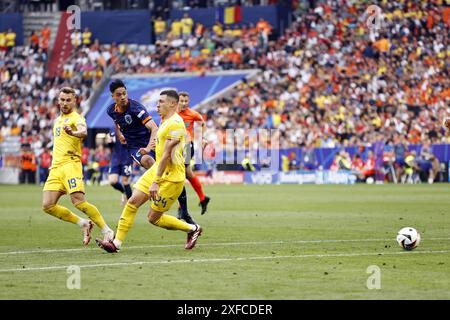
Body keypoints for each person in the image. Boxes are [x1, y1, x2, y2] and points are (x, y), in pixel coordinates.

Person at [95, 90, 203, 253]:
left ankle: (192, 228)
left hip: (171, 177)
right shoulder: (165, 120)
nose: (157, 105)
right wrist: (148, 149)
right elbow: (161, 147)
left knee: (153, 218)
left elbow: (167, 155)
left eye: (161, 102)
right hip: (157, 169)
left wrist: (155, 182)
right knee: (132, 202)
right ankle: (116, 243)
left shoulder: (176, 123)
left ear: (172, 104)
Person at [41, 87, 114, 245]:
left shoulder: (76, 118)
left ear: (74, 101)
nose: (65, 103)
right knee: (47, 205)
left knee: (78, 201)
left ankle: (107, 230)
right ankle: (84, 223)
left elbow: (83, 131)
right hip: (56, 168)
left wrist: (74, 133)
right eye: (62, 100)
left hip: (70, 165)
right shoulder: (57, 121)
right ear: (58, 101)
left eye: (68, 100)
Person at [106, 79, 158, 170]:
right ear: (113, 96)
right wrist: (119, 135)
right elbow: (116, 121)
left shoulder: (136, 108)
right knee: (148, 161)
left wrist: (149, 148)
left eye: (124, 93)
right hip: (135, 147)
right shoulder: (110, 110)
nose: (122, 97)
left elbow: (154, 128)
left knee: (178, 168)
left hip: (151, 142)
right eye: (119, 95)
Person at [177, 91, 211, 216]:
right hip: (173, 146)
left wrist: (202, 138)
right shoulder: (171, 113)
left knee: (179, 174)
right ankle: (203, 198)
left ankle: (181, 208)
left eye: (186, 101)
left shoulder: (192, 114)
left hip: (186, 146)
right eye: (182, 101)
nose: (184, 103)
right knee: (188, 173)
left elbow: (202, 123)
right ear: (177, 100)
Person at [107, 129, 133, 205]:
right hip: (115, 159)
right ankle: (124, 192)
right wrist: (109, 142)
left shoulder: (129, 128)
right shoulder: (112, 129)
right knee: (112, 181)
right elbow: (110, 145)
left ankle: (130, 203)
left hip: (126, 159)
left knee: (125, 181)